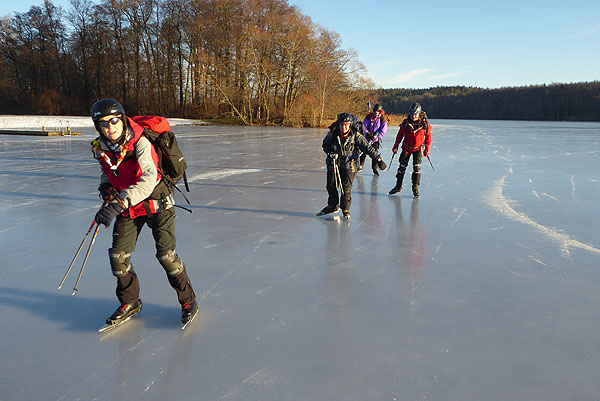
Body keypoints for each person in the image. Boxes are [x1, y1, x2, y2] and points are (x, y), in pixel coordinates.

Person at [90, 98, 198, 327]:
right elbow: (106, 172)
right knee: (118, 258)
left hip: (158, 205)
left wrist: (118, 203)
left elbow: (149, 179)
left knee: (166, 257)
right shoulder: (101, 147)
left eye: (114, 121)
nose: (110, 128)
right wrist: (106, 188)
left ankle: (188, 300)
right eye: (103, 124)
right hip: (130, 207)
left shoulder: (140, 142)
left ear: (121, 119)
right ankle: (130, 302)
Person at [318, 112, 387, 219]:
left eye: (346, 124)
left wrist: (378, 160)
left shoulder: (355, 135)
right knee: (331, 185)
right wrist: (330, 152)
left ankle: (345, 209)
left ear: (350, 124)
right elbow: (325, 145)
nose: (343, 127)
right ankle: (333, 205)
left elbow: (367, 148)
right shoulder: (333, 133)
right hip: (334, 163)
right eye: (341, 124)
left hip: (350, 165)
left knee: (346, 188)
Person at [388, 102, 432, 197]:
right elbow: (400, 135)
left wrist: (427, 147)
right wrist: (396, 145)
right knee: (401, 168)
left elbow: (428, 136)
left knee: (417, 169)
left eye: (415, 114)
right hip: (406, 148)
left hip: (418, 149)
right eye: (411, 114)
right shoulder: (406, 123)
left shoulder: (424, 124)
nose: (413, 116)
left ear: (419, 113)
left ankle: (415, 188)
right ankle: (398, 186)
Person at [359, 103, 388, 175]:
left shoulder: (382, 120)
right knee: (364, 152)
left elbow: (383, 131)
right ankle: (360, 166)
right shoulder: (368, 117)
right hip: (367, 138)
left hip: (375, 140)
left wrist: (376, 137)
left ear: (380, 112)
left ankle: (374, 168)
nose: (376, 112)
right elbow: (364, 127)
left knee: (374, 153)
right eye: (375, 111)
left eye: (378, 111)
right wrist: (368, 134)